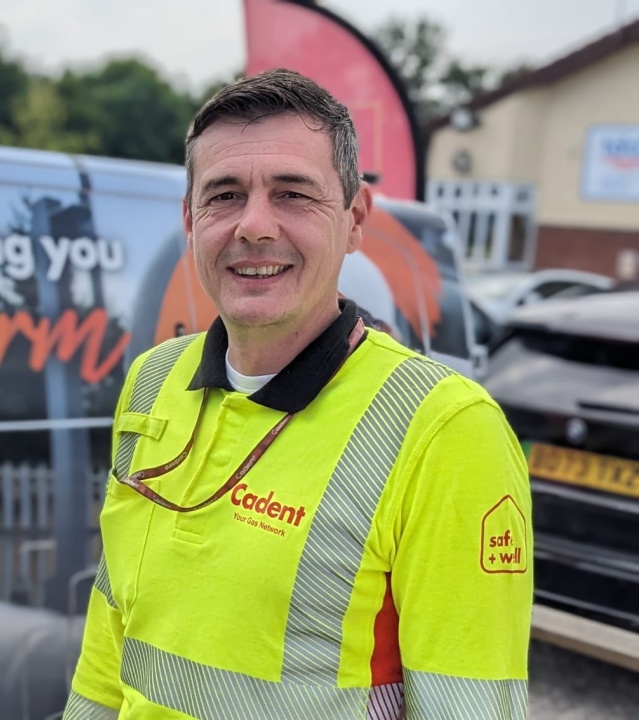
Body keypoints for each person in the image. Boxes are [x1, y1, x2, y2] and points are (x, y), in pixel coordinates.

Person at [66, 69, 531, 719]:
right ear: (190, 221)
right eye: (224, 195)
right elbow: (108, 632)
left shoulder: (446, 428)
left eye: (292, 194)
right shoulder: (152, 379)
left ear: (355, 219)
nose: (254, 226)